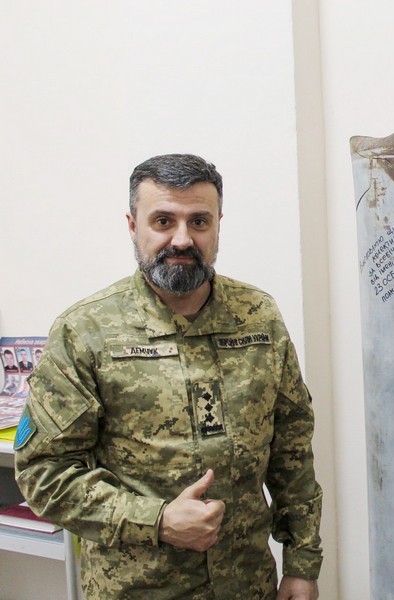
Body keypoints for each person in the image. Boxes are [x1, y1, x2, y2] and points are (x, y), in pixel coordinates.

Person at [14, 154, 322, 599]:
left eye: (199, 221)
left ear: (218, 225)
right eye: (163, 221)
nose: (182, 239)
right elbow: (43, 473)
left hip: (248, 585)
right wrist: (156, 521)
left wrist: (302, 563)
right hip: (139, 589)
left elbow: (292, 447)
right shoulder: (86, 331)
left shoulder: (259, 316)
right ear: (132, 225)